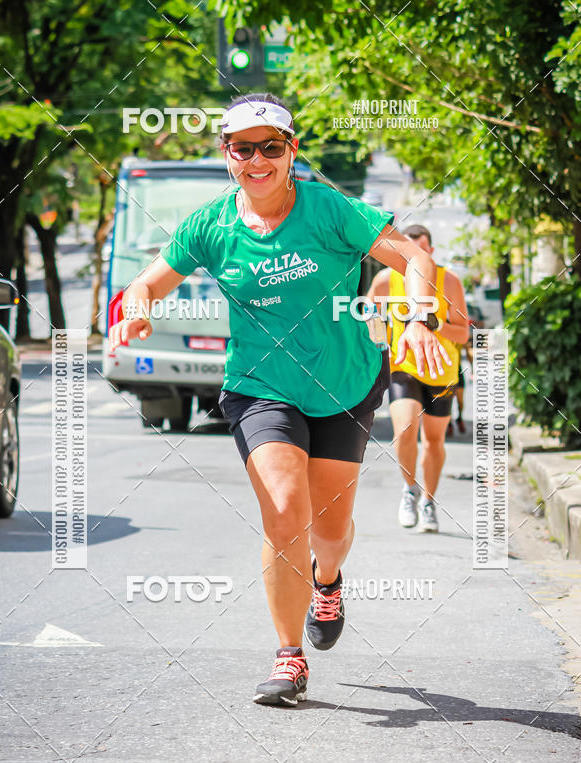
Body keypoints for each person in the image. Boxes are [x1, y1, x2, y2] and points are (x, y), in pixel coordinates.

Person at [109, 93, 451, 706]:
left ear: (291, 150)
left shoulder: (329, 210)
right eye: (245, 148)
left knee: (331, 530)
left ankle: (328, 580)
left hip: (343, 384)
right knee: (285, 511)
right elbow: (147, 282)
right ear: (228, 155)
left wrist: (421, 319)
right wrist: (134, 309)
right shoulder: (209, 224)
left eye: (272, 146)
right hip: (260, 387)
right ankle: (289, 656)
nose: (258, 159)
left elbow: (415, 257)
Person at [367, 224, 469, 532]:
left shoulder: (449, 282)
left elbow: (463, 333)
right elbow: (369, 314)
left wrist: (431, 325)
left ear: (431, 252)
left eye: (421, 249)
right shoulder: (386, 279)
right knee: (405, 429)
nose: (415, 256)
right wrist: (378, 343)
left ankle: (428, 500)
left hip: (441, 370)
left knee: (434, 441)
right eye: (408, 250)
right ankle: (409, 490)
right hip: (404, 367)